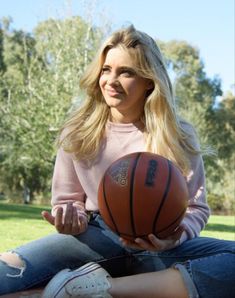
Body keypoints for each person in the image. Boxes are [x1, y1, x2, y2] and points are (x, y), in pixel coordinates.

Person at [0, 25, 234, 298]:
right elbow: (67, 199)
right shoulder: (77, 132)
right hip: (94, 236)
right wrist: (70, 215)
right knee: (6, 269)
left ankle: (89, 289)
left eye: (126, 72)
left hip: (159, 244)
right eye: (106, 69)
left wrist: (175, 236)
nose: (111, 80)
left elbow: (195, 207)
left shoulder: (178, 135)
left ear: (149, 80)